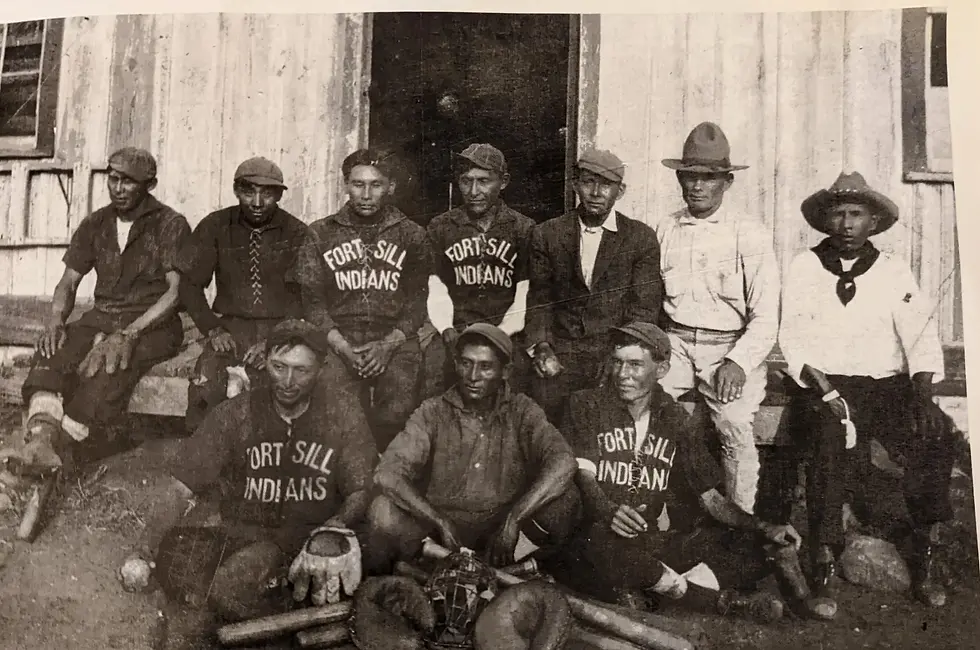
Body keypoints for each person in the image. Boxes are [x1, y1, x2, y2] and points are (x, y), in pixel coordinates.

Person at [541, 322, 836, 623]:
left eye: (635, 365)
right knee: (596, 543)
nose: (622, 374)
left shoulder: (674, 418)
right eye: (617, 363)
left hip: (647, 544)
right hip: (596, 536)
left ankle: (651, 591)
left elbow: (712, 500)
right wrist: (608, 511)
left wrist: (764, 527)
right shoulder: (585, 404)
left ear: (661, 370)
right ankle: (711, 600)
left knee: (751, 541)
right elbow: (584, 476)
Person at [117, 320, 378, 623]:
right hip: (250, 536)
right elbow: (180, 486)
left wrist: (334, 528)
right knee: (187, 563)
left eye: (301, 370)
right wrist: (143, 550)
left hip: (313, 537)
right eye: (279, 367)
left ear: (321, 368)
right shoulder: (236, 413)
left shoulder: (342, 413)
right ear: (265, 361)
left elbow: (361, 488)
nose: (288, 381)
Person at [778, 171, 957, 609]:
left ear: (873, 221)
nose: (846, 224)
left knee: (934, 435)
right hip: (825, 386)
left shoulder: (894, 268)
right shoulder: (804, 267)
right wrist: (826, 392)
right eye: (838, 214)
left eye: (856, 214)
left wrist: (923, 396)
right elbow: (794, 339)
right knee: (827, 436)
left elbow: (919, 334)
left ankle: (926, 550)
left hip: (886, 388)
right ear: (825, 220)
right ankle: (824, 554)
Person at [7, 147, 190, 473]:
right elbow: (68, 282)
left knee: (107, 369)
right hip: (102, 316)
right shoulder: (97, 222)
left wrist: (129, 334)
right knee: (52, 352)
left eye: (128, 182)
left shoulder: (170, 224)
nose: (118, 188)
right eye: (113, 179)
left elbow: (176, 293)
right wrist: (55, 321)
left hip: (151, 324)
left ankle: (65, 449)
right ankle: (40, 438)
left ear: (149, 184)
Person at [365, 323, 580, 572]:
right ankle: (453, 570)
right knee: (382, 511)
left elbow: (564, 461)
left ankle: (499, 572)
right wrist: (439, 521)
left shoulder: (522, 410)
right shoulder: (432, 411)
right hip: (443, 537)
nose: (473, 376)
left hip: (502, 540)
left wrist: (514, 519)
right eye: (466, 363)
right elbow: (387, 473)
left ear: (505, 371)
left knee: (567, 499)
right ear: (456, 364)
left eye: (485, 366)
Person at [653, 122, 780, 516]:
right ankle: (648, 515)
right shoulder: (666, 228)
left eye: (708, 178)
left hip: (728, 347)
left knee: (734, 423)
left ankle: (740, 522)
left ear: (727, 182)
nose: (697, 187)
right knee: (642, 407)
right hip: (674, 344)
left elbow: (766, 316)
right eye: (689, 176)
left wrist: (738, 362)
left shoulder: (750, 233)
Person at [294, 149, 432, 451]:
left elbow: (417, 301)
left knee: (398, 407)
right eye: (358, 184)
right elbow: (312, 303)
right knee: (333, 407)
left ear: (391, 187)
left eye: (376, 185)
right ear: (346, 184)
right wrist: (343, 347)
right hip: (337, 335)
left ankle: (386, 470)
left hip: (394, 336)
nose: (366, 195)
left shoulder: (412, 235)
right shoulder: (320, 233)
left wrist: (388, 344)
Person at [526, 149, 662, 423]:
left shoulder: (640, 238)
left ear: (620, 191)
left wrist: (619, 358)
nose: (596, 193)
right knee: (547, 415)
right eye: (588, 182)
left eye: (606, 185)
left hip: (612, 351)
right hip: (561, 350)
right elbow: (540, 299)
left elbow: (644, 309)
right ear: (575, 185)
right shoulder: (548, 233)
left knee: (609, 420)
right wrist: (542, 347)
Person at [177, 157, 310, 431]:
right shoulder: (216, 225)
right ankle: (206, 453)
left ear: (279, 195)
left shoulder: (297, 232)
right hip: (230, 327)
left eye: (267, 193)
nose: (257, 202)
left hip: (281, 327)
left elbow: (304, 296)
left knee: (276, 390)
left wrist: (277, 339)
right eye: (249, 192)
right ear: (236, 191)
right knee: (206, 385)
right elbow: (189, 285)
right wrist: (213, 329)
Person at [423, 143, 535, 398]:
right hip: (456, 329)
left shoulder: (522, 228)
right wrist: (446, 328)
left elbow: (524, 291)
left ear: (503, 182)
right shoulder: (441, 226)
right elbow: (435, 285)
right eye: (466, 181)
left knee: (516, 381)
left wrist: (502, 333)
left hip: (506, 329)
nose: (474, 191)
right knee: (433, 372)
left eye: (484, 181)